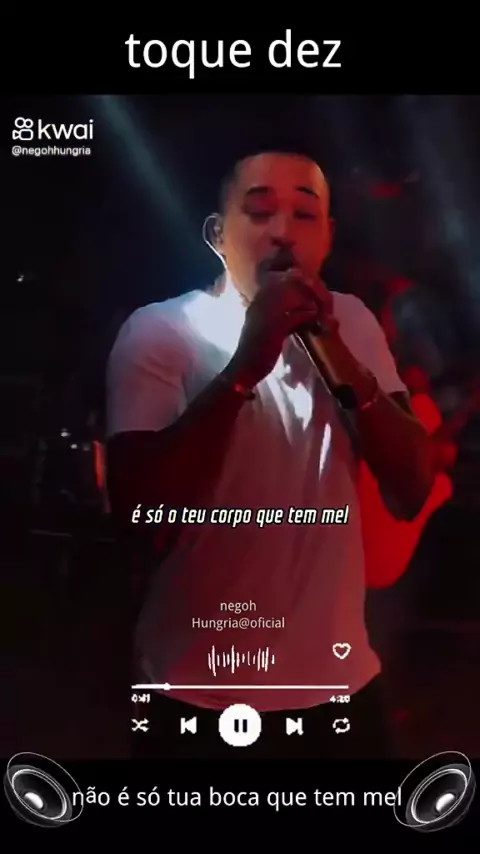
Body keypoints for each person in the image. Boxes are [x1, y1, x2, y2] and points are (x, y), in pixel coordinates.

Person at [106, 150, 434, 760]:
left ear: (328, 237)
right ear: (217, 234)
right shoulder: (161, 331)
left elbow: (412, 487)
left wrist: (334, 348)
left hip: (338, 686)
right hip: (196, 691)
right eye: (259, 211)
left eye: (304, 216)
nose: (283, 231)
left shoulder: (353, 322)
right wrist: (244, 367)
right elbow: (137, 509)